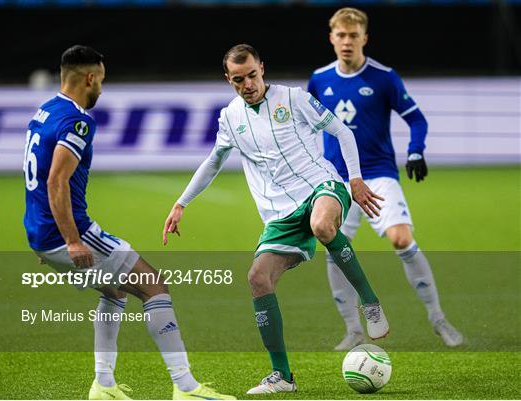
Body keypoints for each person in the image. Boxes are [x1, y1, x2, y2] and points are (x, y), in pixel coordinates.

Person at [163, 44, 389, 395]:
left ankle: (370, 302)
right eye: (238, 79)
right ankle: (282, 376)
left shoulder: (294, 99)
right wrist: (181, 203)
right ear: (229, 80)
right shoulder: (230, 118)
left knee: (322, 226)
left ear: (262, 69)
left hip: (321, 185)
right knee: (257, 278)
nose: (247, 84)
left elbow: (343, 133)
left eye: (252, 75)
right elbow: (212, 162)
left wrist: (355, 180)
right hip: (280, 213)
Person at [23, 45, 235, 401]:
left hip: (43, 233)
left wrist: (44, 239)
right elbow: (55, 181)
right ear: (89, 77)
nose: (102, 90)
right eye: (101, 81)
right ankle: (186, 388)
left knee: (115, 291)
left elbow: (36, 177)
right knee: (155, 286)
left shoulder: (45, 111)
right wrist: (71, 241)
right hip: (70, 233)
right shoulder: (76, 121)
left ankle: (103, 385)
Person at [307, 7, 463, 350]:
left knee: (400, 239)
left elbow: (417, 120)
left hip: (377, 174)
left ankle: (438, 318)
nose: (347, 42)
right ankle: (353, 329)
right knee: (332, 247)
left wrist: (417, 151)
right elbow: (306, 126)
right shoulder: (319, 79)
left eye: (353, 35)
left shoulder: (384, 77)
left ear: (365, 38)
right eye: (341, 36)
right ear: (331, 38)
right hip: (338, 180)